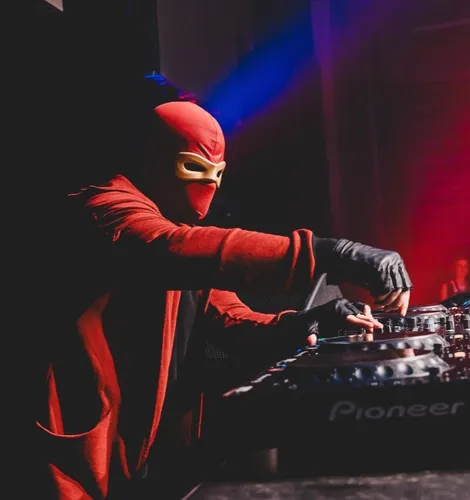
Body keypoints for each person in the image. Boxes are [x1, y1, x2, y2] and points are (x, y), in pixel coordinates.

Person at [35, 101, 412, 499]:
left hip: (146, 448)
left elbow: (228, 320)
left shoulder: (182, 236)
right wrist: (330, 253)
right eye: (194, 167)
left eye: (217, 172)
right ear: (153, 157)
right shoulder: (104, 207)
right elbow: (168, 247)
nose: (209, 184)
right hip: (76, 448)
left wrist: (306, 323)